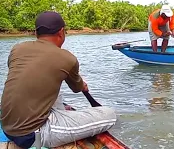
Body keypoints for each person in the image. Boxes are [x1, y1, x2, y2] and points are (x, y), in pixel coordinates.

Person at [0, 11, 117, 148]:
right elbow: (77, 88)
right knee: (110, 114)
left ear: (36, 33)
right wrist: (83, 85)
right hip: (32, 134)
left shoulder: (17, 49)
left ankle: (59, 112)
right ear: (61, 32)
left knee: (50, 86)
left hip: (7, 126)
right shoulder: (67, 58)